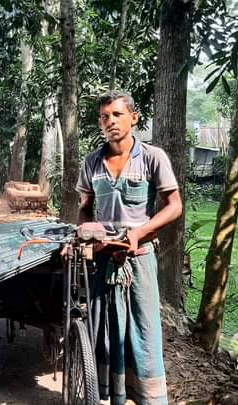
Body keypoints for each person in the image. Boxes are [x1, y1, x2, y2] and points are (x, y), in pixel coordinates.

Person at [76, 90, 182, 405]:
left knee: (144, 334)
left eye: (118, 115)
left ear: (133, 118)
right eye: (105, 116)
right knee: (106, 335)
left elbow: (174, 206)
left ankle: (147, 399)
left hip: (139, 263)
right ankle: (110, 397)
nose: (111, 122)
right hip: (103, 261)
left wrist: (140, 233)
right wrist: (86, 231)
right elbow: (84, 208)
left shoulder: (152, 157)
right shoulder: (92, 162)